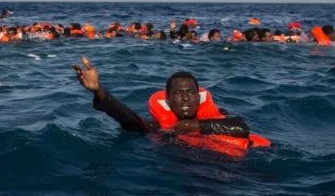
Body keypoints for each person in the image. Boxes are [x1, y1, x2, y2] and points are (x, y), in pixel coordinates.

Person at [73, 57, 250, 137]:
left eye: (190, 93)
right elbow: (128, 118)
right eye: (178, 93)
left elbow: (241, 128)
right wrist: (98, 91)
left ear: (199, 97)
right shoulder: (158, 127)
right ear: (167, 100)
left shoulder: (217, 116)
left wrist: (192, 125)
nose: (186, 98)